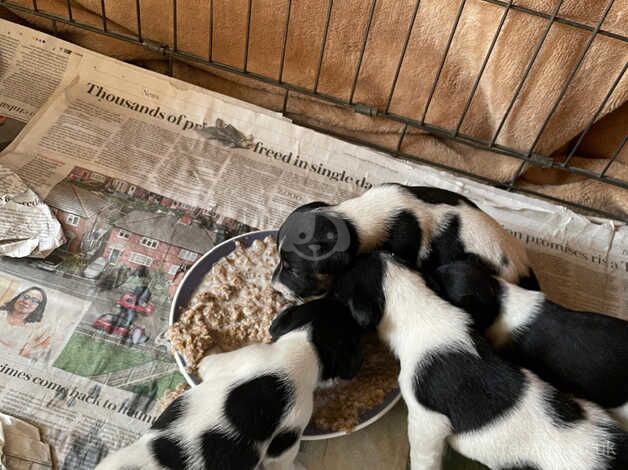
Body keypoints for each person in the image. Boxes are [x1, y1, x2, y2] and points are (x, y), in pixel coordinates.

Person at [0, 287, 52, 360]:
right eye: (25, 297)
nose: (26, 301)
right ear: (17, 298)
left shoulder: (34, 330)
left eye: (34, 301)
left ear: (39, 307)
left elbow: (27, 355)